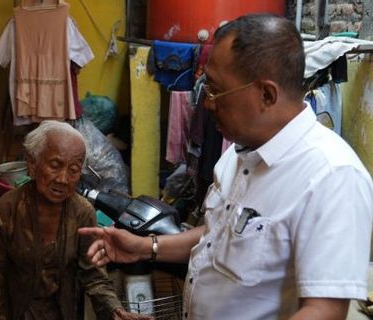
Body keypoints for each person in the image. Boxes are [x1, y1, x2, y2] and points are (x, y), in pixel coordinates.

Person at [80, 14, 373, 320]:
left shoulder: (332, 176)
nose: (207, 103)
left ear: (267, 94)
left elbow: (323, 312)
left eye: (216, 90)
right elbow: (221, 232)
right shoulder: (239, 153)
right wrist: (147, 247)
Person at [0, 120, 151, 320]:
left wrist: (114, 310)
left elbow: (94, 275)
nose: (63, 178)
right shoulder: (7, 208)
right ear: (32, 163)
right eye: (55, 165)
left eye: (73, 170)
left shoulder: (82, 212)